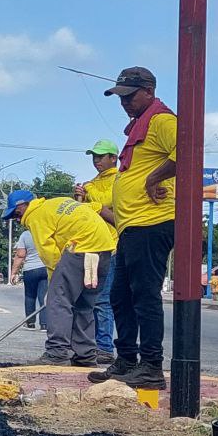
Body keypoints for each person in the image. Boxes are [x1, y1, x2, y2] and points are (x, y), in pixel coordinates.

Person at [88, 68, 177, 390]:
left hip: (153, 223)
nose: (124, 102)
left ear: (149, 91)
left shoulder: (163, 121)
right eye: (120, 97)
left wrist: (154, 178)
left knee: (144, 296)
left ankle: (152, 366)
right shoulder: (141, 126)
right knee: (119, 296)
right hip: (131, 226)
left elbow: (186, 152)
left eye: (129, 95)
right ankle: (126, 359)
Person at [3, 190, 116, 367]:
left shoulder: (36, 216)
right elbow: (95, 209)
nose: (16, 219)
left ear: (22, 205)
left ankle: (57, 353)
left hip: (80, 248)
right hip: (104, 249)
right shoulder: (57, 203)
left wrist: (55, 284)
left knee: (58, 302)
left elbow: (49, 254)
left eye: (15, 214)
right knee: (84, 304)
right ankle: (85, 355)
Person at [75, 139, 120, 361]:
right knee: (89, 296)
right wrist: (81, 197)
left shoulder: (121, 181)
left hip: (113, 247)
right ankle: (90, 343)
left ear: (114, 158)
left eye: (101, 157)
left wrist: (95, 205)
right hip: (93, 246)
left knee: (103, 299)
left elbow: (109, 209)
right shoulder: (90, 184)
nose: (96, 161)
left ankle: (104, 346)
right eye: (94, 157)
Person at [9, 229, 48, 330]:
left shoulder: (25, 235)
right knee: (43, 297)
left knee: (30, 296)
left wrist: (13, 273)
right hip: (46, 268)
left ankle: (30, 323)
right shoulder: (47, 231)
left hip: (30, 269)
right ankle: (44, 324)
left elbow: (20, 255)